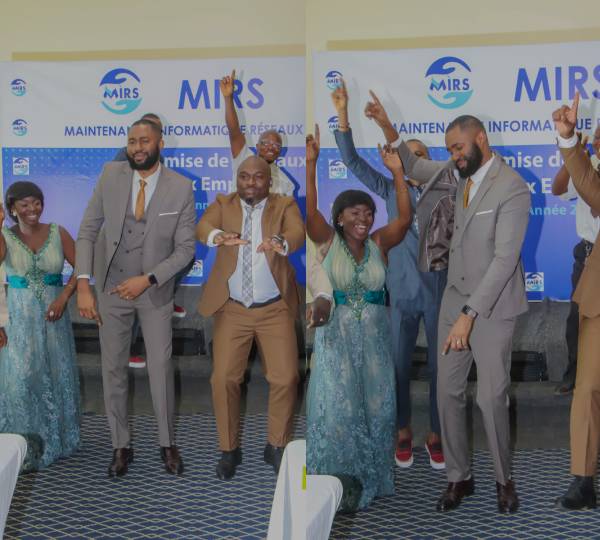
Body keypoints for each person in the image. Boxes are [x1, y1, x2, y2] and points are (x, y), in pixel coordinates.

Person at [391, 114, 530, 513]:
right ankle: (459, 477)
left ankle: (503, 480)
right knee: (447, 391)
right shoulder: (457, 172)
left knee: (490, 397)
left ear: (480, 139)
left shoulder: (513, 187)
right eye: (450, 149)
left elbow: (504, 261)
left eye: (459, 147)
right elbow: (414, 165)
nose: (454, 155)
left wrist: (470, 315)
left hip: (493, 306)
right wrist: (388, 127)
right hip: (454, 299)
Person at [332, 81, 451, 471]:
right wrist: (343, 115)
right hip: (398, 295)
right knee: (397, 367)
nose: (411, 161)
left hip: (439, 294)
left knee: (439, 370)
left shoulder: (446, 191)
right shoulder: (387, 189)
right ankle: (403, 430)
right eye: (405, 156)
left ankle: (437, 434)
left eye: (418, 156)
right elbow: (351, 161)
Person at [76, 118, 196, 477]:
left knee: (160, 368)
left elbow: (186, 249)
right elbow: (87, 231)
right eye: (132, 141)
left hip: (153, 291)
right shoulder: (110, 175)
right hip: (111, 288)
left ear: (160, 144)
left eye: (144, 141)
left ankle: (167, 443)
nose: (137, 147)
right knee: (112, 368)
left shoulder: (181, 187)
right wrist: (83, 284)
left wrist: (148, 279)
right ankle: (120, 444)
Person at [306, 122, 412, 511]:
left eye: (368, 212)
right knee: (340, 411)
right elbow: (310, 212)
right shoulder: (327, 241)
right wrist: (311, 164)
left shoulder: (379, 243)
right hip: (336, 338)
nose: (364, 218)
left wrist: (398, 173)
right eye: (355, 212)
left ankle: (372, 478)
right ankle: (338, 483)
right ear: (339, 218)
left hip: (375, 342)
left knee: (378, 410)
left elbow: (404, 219)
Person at [196, 155, 304, 480]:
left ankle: (276, 444)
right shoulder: (223, 203)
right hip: (233, 309)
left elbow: (297, 232)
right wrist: (217, 236)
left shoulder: (284, 205)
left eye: (258, 177)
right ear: (237, 179)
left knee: (285, 378)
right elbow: (202, 226)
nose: (250, 183)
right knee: (223, 379)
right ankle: (229, 449)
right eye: (244, 176)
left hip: (274, 309)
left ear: (269, 180)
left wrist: (281, 242)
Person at [0, 182, 80, 471]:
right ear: (12, 209)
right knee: (21, 379)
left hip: (53, 320)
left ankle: (58, 441)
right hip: (17, 321)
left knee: (56, 374)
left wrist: (64, 297)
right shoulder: (5, 237)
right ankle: (22, 445)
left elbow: (82, 268)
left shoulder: (59, 232)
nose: (32, 209)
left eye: (36, 202)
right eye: (24, 204)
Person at [113, 113, 193, 370]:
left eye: (154, 134)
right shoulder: (123, 160)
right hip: (127, 245)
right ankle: (129, 349)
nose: (143, 145)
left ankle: (165, 287)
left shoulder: (168, 171)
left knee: (179, 256)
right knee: (133, 288)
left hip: (154, 241)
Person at [552, 94, 600, 510]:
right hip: (598, 296)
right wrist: (569, 140)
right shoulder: (592, 170)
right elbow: (586, 185)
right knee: (587, 388)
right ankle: (582, 480)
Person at [552, 126, 600, 396]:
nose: (599, 142)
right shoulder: (585, 166)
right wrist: (574, 159)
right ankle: (574, 372)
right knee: (576, 320)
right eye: (598, 137)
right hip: (588, 256)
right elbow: (557, 189)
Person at [220, 70, 296, 196]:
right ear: (257, 146)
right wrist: (228, 98)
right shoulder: (244, 158)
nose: (271, 147)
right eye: (266, 143)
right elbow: (234, 131)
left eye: (276, 145)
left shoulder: (285, 183)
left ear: (280, 152)